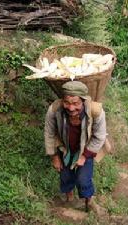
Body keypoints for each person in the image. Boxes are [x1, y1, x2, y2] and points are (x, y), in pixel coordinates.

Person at [44, 81, 107, 211]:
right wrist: (54, 156)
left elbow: (99, 136)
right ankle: (70, 198)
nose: (71, 108)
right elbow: (49, 133)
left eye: (76, 103)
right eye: (67, 103)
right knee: (65, 175)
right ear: (62, 101)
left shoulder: (96, 111)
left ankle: (89, 202)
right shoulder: (55, 109)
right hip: (65, 147)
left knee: (83, 179)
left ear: (83, 101)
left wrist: (84, 157)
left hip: (86, 148)